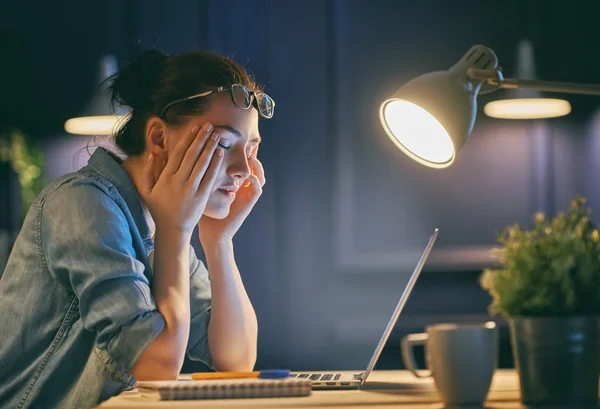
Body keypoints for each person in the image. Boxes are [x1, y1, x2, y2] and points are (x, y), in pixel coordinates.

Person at [0, 49, 275, 409]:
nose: (243, 168)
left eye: (251, 148)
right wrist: (176, 232)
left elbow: (236, 360)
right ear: (159, 138)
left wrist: (218, 240)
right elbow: (153, 369)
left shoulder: (160, 220)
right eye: (223, 144)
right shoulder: (82, 205)